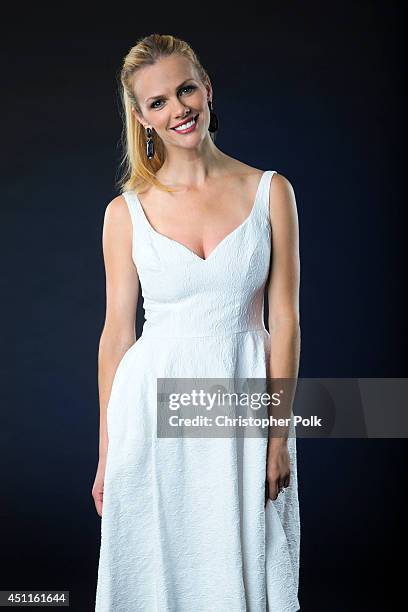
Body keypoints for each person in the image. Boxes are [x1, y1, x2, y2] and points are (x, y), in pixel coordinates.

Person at [93, 33, 301, 612]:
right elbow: (117, 335)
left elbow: (284, 321)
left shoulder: (270, 192)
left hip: (245, 403)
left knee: (253, 565)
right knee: (157, 566)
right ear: (142, 117)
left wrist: (278, 437)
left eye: (186, 90)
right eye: (158, 102)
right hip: (150, 413)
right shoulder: (125, 212)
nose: (178, 109)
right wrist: (107, 453)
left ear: (207, 90)